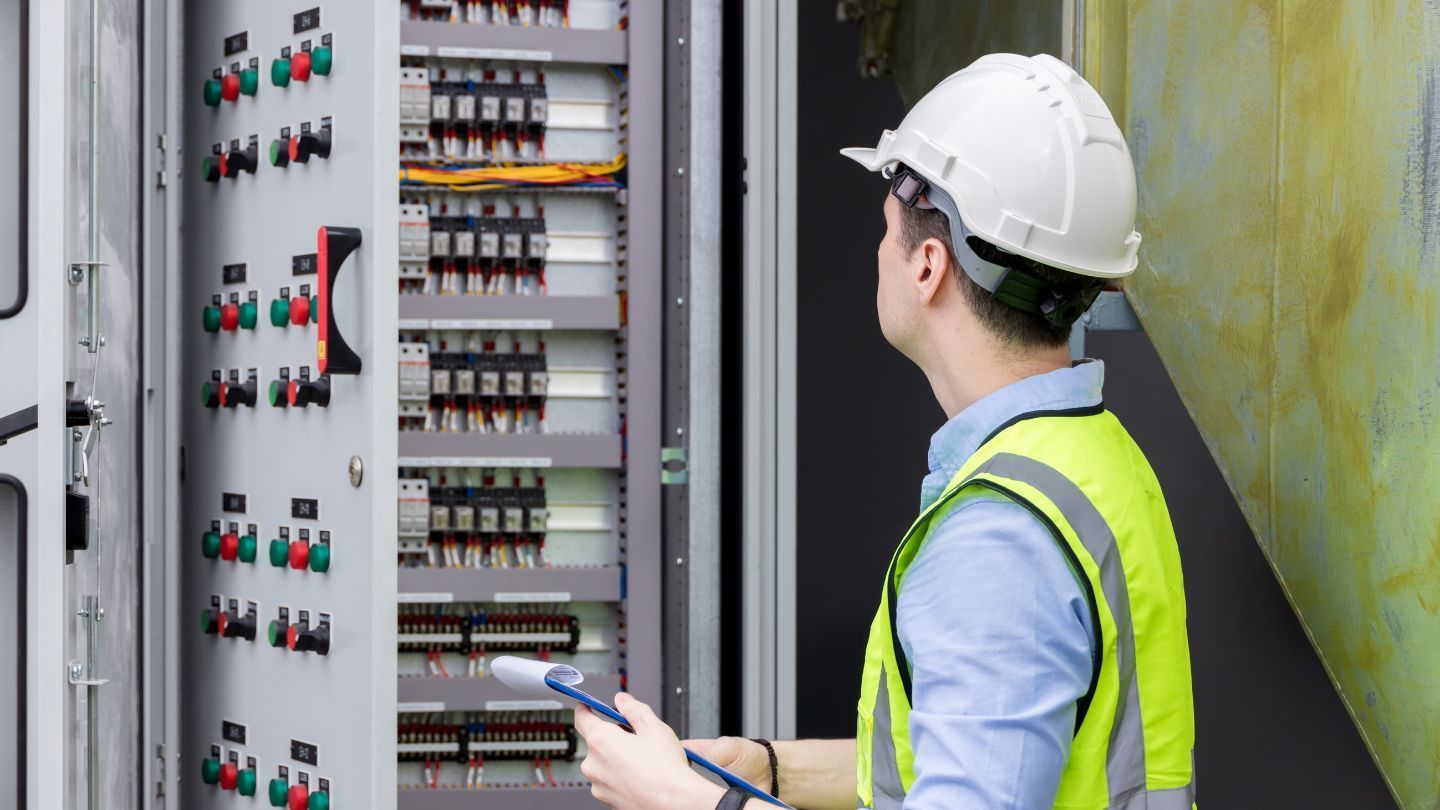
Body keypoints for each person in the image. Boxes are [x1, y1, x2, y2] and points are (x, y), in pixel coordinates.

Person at [575, 52, 1197, 810]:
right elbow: (983, 748)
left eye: (885, 228)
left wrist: (686, 802)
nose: (879, 250)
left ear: (928, 265)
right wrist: (774, 770)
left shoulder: (998, 540)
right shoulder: (1088, 458)